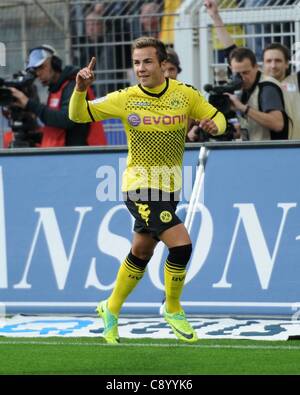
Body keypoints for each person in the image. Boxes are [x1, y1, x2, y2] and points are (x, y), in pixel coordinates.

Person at [69, 36, 226, 343]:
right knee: (181, 245)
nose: (140, 68)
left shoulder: (184, 95)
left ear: (164, 65)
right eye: (136, 62)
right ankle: (173, 306)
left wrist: (213, 126)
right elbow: (77, 115)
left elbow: (217, 118)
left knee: (141, 251)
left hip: (169, 188)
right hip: (138, 186)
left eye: (147, 61)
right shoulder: (125, 98)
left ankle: (110, 307)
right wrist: (80, 89)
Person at [204, 0, 288, 141]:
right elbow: (229, 48)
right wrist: (215, 16)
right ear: (231, 68)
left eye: (246, 73)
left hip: (274, 154)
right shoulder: (239, 83)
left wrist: (243, 108)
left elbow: (278, 124)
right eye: (238, 73)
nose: (242, 77)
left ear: (256, 67)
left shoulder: (267, 87)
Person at [9, 44, 107, 147]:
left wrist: (29, 104)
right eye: (35, 70)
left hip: (82, 155)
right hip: (67, 155)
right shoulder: (55, 88)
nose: (38, 74)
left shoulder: (74, 85)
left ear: (55, 64)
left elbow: (67, 119)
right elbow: (58, 131)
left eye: (41, 67)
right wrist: (35, 137)